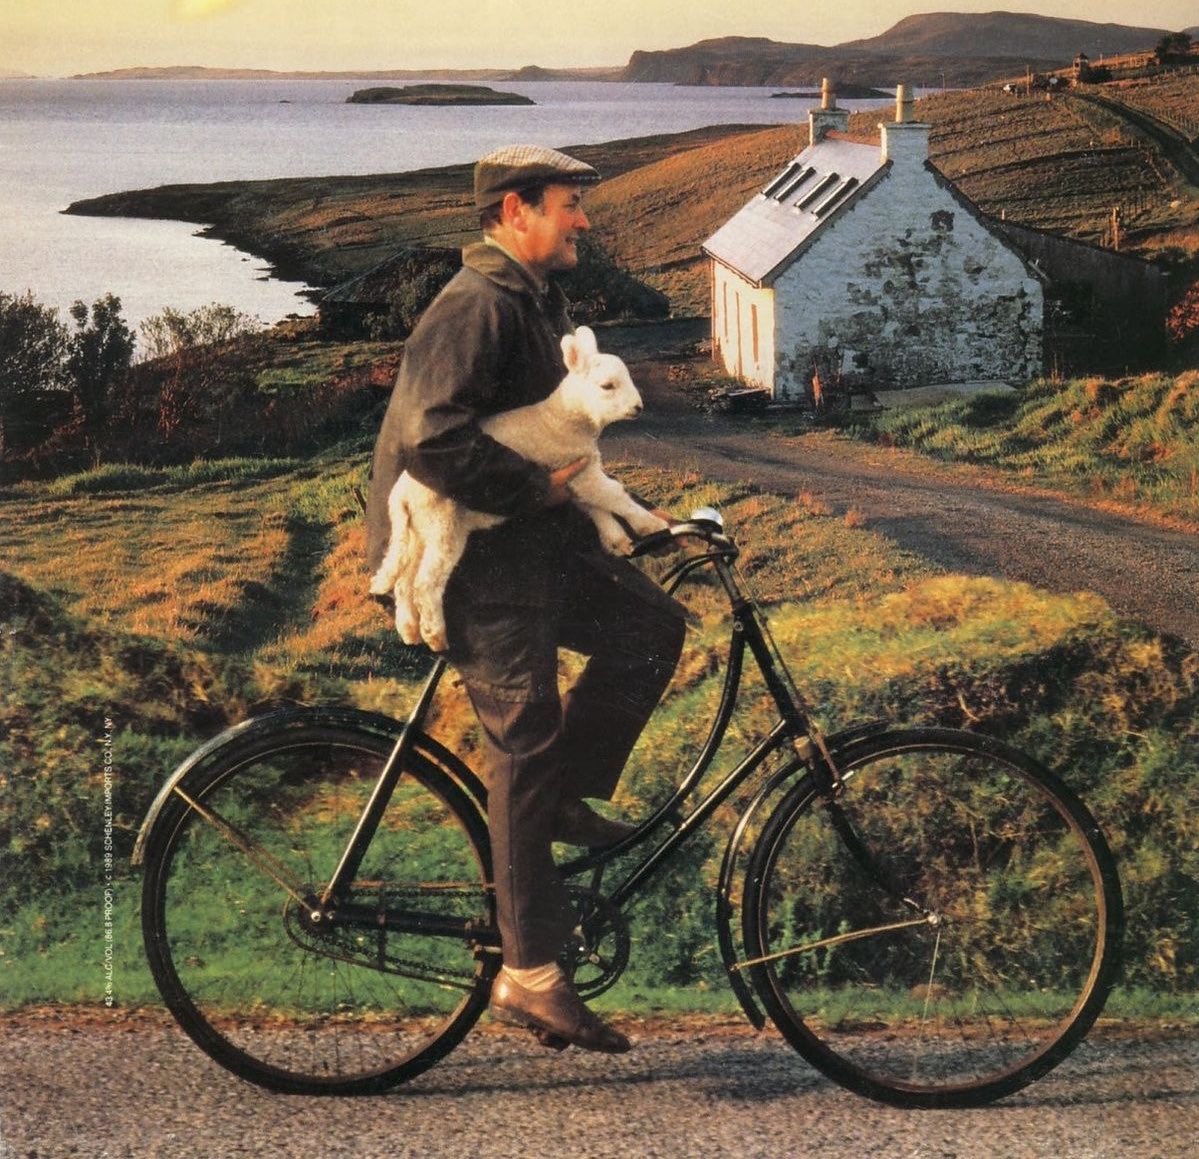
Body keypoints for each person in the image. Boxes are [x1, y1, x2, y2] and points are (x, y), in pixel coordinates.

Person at [365, 145, 686, 1054]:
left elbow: (561, 431)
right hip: (472, 557)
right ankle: (531, 973)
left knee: (650, 625)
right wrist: (538, 490)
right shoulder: (475, 305)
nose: (583, 219)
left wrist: (631, 518)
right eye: (568, 204)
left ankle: (560, 801)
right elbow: (429, 440)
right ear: (516, 211)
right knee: (525, 746)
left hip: (525, 541)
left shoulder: (534, 300)